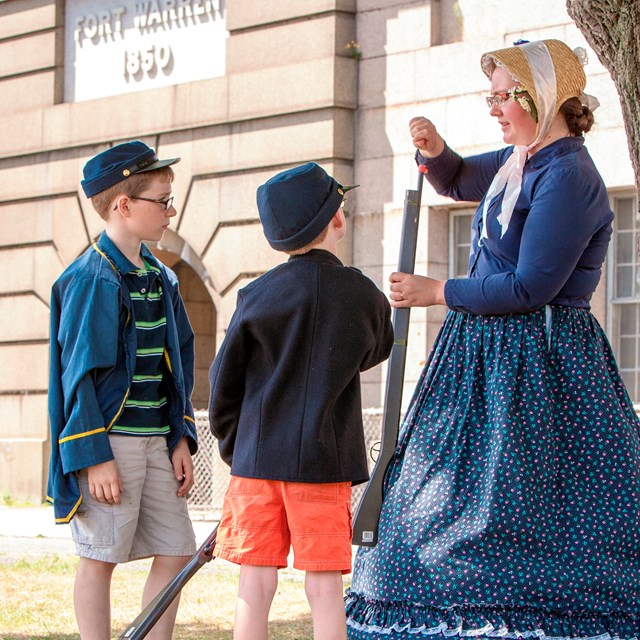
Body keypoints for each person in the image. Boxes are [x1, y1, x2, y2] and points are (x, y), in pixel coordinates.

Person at [345, 39, 640, 640]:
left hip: (541, 365)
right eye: (493, 95)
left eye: (505, 96)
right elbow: (457, 179)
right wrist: (435, 151)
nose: (494, 108)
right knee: (432, 504)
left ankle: (524, 620)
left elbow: (531, 285)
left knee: (529, 510)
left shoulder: (569, 175)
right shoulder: (519, 160)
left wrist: (439, 292)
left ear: (545, 98)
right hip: (483, 361)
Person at [208, 162, 394, 640]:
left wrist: (238, 447)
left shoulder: (256, 295)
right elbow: (378, 348)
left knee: (255, 581)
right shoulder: (362, 295)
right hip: (323, 463)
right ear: (336, 219)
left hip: (256, 461)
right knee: (325, 585)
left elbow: (223, 384)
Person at [46, 140, 198, 640]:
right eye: (162, 199)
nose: (170, 210)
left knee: (178, 550)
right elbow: (79, 377)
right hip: (110, 444)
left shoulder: (162, 279)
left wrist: (180, 437)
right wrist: (94, 455)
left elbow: (176, 368)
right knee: (100, 557)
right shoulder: (93, 278)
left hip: (156, 439)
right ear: (124, 205)